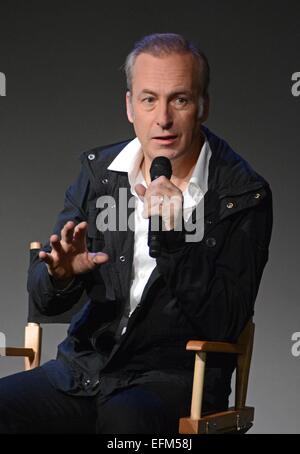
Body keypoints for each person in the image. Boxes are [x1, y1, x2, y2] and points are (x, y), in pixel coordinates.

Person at [0, 33, 273, 434]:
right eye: (149, 99)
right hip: (86, 372)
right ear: (130, 106)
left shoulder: (242, 194)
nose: (162, 118)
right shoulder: (100, 172)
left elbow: (226, 321)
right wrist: (60, 276)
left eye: (179, 99)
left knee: (123, 420)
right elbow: (46, 304)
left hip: (173, 381)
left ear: (203, 106)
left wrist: (174, 239)